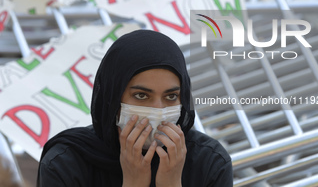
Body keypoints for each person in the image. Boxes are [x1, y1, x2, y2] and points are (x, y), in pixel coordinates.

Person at [37, 30, 233, 187]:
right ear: (112, 98)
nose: (158, 110)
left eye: (171, 96)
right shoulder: (66, 164)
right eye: (141, 96)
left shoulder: (208, 162)